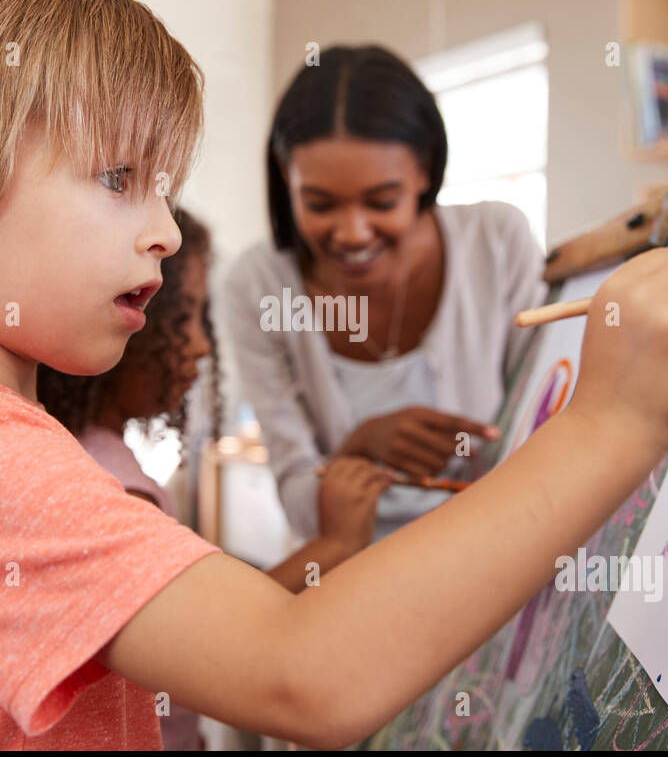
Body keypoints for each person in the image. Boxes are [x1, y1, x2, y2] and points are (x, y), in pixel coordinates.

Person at [0, 0, 668, 751]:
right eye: (116, 178)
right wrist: (613, 422)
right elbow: (302, 672)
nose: (163, 230)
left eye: (164, 188)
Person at [35, 206, 392, 748]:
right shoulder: (117, 491)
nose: (202, 347)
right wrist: (336, 544)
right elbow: (225, 636)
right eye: (186, 320)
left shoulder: (81, 452)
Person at [223, 44, 550, 543]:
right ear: (286, 181)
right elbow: (299, 503)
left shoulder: (497, 241)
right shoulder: (257, 286)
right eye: (319, 204)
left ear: (424, 170)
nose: (353, 233)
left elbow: (544, 427)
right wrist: (359, 446)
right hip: (352, 574)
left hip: (498, 549)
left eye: (382, 201)